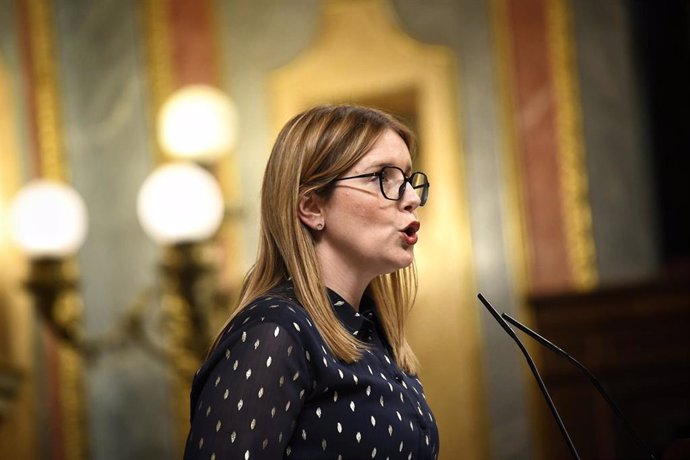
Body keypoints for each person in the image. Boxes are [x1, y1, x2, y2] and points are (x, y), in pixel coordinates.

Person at [183, 104, 438, 460]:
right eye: (382, 176)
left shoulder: (371, 335)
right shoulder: (274, 332)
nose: (411, 198)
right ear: (312, 208)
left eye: (410, 180)